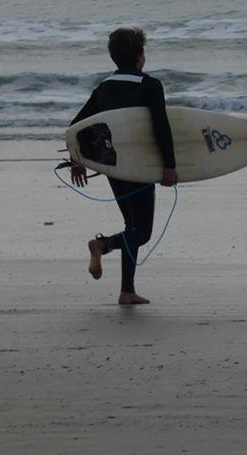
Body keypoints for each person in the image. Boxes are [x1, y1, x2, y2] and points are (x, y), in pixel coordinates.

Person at [70, 27, 178, 305]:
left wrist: (77, 160)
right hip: (140, 166)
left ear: (113, 57)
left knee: (133, 226)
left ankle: (127, 291)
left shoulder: (104, 89)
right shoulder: (150, 86)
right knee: (141, 232)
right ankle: (102, 245)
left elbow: (77, 126)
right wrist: (169, 166)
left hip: (114, 166)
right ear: (140, 57)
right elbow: (161, 129)